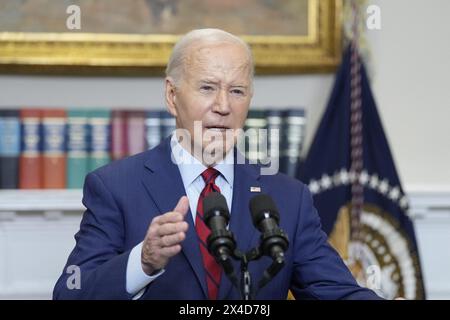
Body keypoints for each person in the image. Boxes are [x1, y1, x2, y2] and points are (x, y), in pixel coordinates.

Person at [53, 28, 381, 300]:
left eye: (237, 91)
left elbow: (337, 292)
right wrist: (143, 261)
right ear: (171, 96)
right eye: (207, 88)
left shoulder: (287, 197)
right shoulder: (116, 187)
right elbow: (71, 293)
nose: (223, 106)